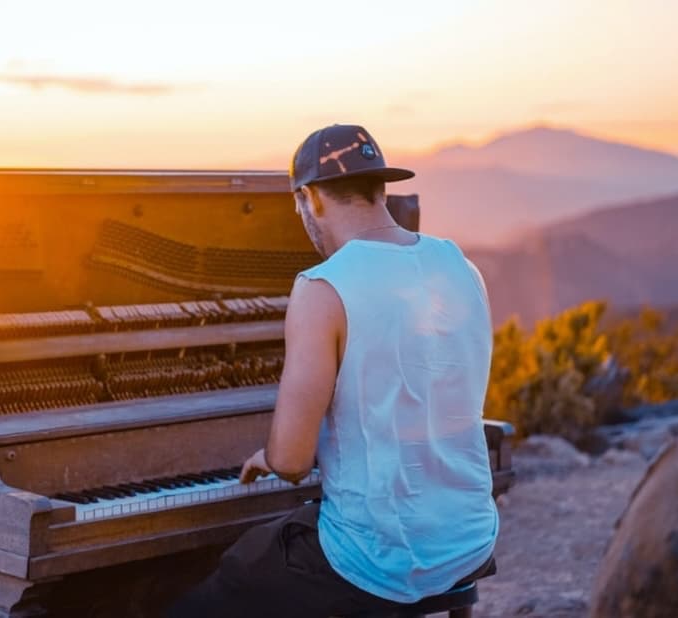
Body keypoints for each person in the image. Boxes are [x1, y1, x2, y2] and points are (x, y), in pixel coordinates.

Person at [167, 124, 499, 617]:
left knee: (211, 592)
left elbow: (292, 462)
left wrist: (276, 450)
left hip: (380, 561)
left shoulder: (323, 287)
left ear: (309, 199)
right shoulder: (461, 267)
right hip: (469, 533)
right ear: (380, 189)